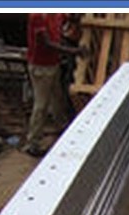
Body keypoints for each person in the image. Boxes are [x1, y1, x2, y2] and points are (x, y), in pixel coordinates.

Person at [23, 13, 86, 157]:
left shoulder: (56, 13)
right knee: (42, 105)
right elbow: (46, 43)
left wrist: (77, 17)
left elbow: (67, 18)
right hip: (40, 66)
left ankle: (62, 127)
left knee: (57, 98)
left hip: (52, 64)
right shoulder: (37, 16)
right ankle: (32, 143)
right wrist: (74, 51)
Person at [60, 13, 84, 120]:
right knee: (69, 79)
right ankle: (70, 113)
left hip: (73, 43)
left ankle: (69, 112)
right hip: (70, 44)